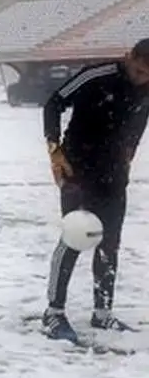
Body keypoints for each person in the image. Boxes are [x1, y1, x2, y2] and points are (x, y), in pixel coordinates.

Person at [41, 38, 149, 342]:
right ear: (129, 56)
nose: (142, 79)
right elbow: (54, 103)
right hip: (78, 170)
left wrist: (130, 152)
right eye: (138, 71)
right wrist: (54, 148)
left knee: (109, 243)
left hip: (113, 176)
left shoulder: (147, 87)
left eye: (147, 75)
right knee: (76, 235)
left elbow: (141, 119)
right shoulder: (96, 76)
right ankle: (54, 312)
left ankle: (102, 313)